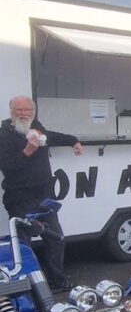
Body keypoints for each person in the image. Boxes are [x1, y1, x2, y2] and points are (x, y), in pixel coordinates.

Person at [0, 96, 83, 292]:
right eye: (19, 110)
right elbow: (7, 167)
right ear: (11, 112)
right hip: (19, 198)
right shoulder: (3, 135)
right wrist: (27, 151)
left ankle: (57, 281)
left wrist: (74, 141)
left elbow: (52, 136)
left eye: (27, 110)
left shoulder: (36, 128)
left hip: (44, 197)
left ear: (33, 112)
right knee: (22, 245)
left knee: (55, 238)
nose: (23, 113)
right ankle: (23, 285)